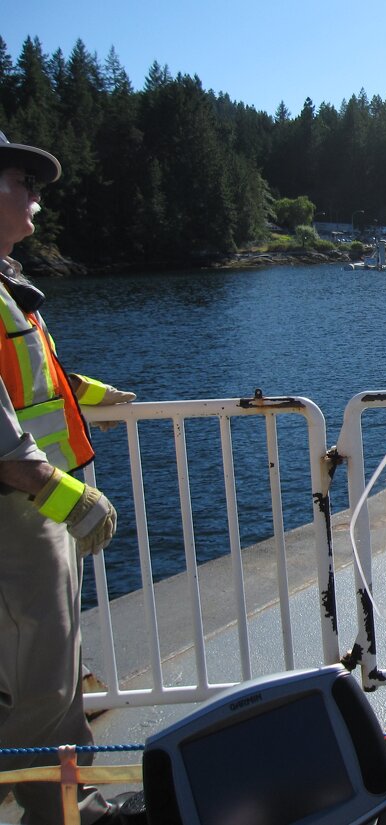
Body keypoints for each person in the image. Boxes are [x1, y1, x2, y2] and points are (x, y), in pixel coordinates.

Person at [0, 130, 137, 824]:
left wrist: (91, 391)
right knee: (45, 683)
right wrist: (73, 498)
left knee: (38, 675)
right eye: (22, 181)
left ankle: (66, 797)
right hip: (20, 520)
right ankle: (56, 812)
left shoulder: (4, 287)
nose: (35, 198)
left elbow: (29, 382)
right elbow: (5, 443)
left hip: (32, 520)